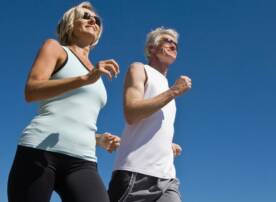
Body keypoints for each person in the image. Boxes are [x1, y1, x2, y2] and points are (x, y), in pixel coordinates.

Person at [7, 2, 120, 202]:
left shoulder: (97, 73)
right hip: (39, 151)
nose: (93, 20)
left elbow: (74, 116)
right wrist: (84, 79)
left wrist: (98, 138)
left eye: (97, 20)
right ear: (70, 23)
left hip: (83, 160)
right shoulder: (56, 49)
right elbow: (31, 91)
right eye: (85, 16)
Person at [108, 27, 192, 202]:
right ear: (152, 48)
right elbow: (131, 113)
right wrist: (174, 91)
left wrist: (166, 145)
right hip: (135, 174)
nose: (173, 45)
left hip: (167, 178)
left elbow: (152, 124)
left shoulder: (167, 86)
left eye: (175, 44)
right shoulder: (139, 69)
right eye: (167, 41)